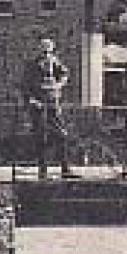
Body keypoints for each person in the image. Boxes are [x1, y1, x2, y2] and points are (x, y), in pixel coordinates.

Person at [21, 37, 77, 179]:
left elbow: (64, 74)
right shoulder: (31, 65)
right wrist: (32, 100)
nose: (46, 55)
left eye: (48, 51)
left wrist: (58, 85)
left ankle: (65, 168)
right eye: (43, 51)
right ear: (39, 51)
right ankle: (43, 170)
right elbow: (24, 86)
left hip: (53, 103)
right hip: (38, 105)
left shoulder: (55, 62)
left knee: (61, 134)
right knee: (41, 136)